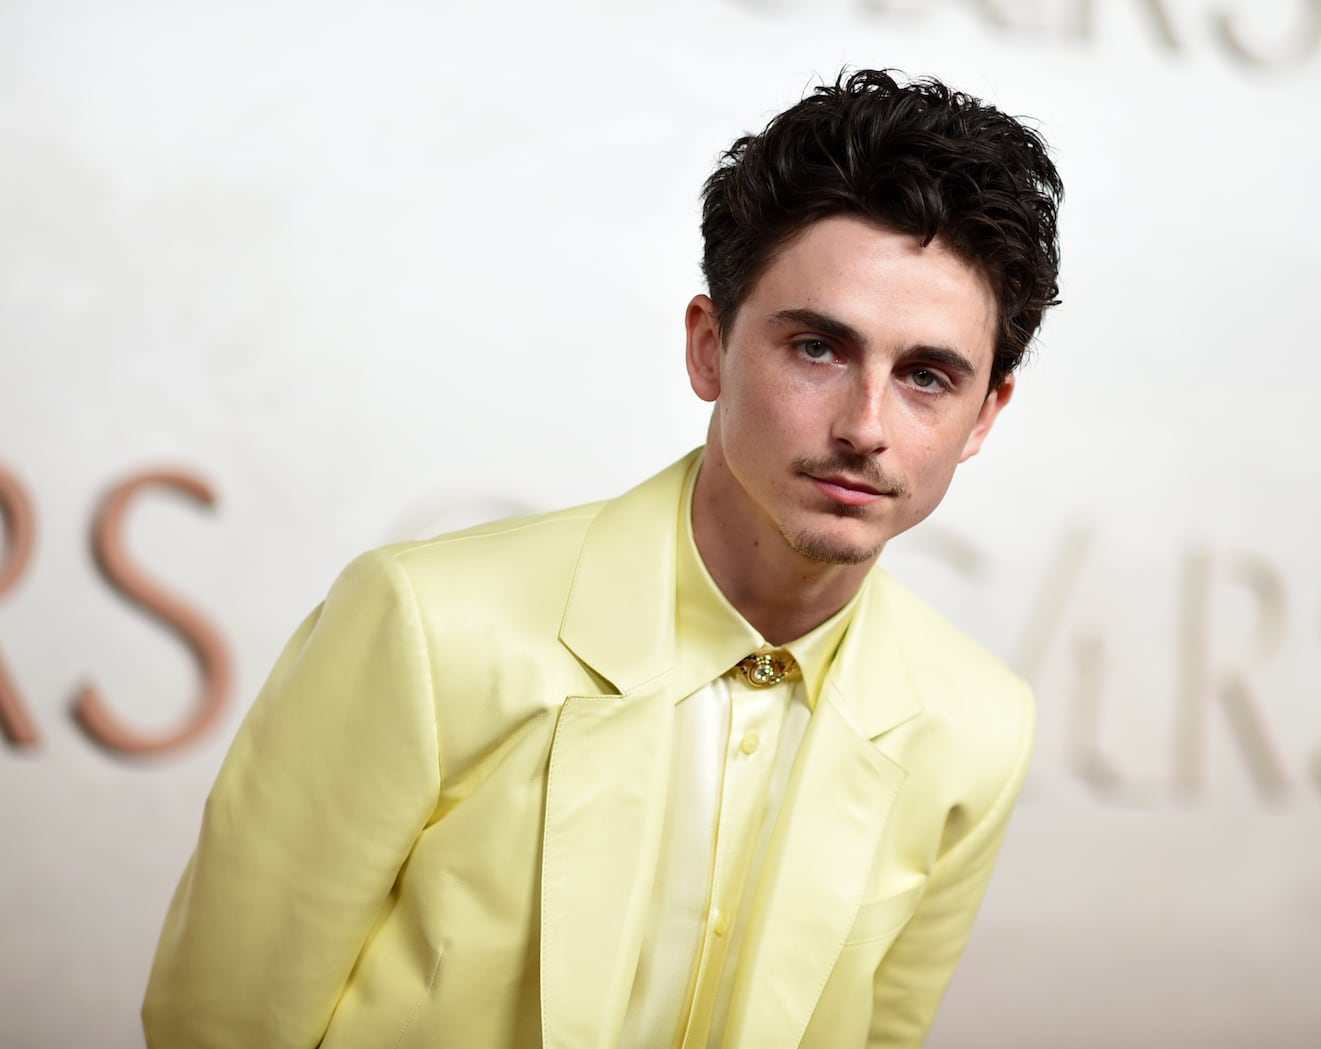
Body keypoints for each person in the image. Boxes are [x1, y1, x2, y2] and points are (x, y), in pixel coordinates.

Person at [143, 68, 1063, 1049]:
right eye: (816, 349)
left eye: (927, 376)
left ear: (983, 417)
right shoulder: (425, 624)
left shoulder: (977, 725)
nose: (866, 427)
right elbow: (220, 1023)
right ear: (709, 348)